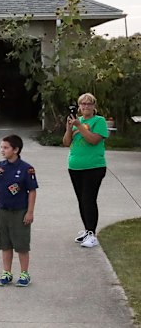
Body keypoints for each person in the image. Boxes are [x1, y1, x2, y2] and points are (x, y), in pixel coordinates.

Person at [0, 134, 38, 287]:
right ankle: (6, 272)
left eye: (6, 148)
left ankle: (24, 273)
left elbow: (32, 191)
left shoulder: (26, 169)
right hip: (3, 211)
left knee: (21, 244)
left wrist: (30, 212)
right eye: (1, 147)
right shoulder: (0, 167)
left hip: (20, 211)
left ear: (16, 150)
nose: (2, 150)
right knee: (5, 244)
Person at [63, 93, 108, 248]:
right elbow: (66, 142)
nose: (86, 106)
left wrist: (79, 126)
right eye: (83, 104)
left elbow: (93, 140)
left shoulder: (99, 121)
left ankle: (92, 233)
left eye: (89, 104)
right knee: (82, 200)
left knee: (89, 199)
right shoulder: (77, 121)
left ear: (94, 106)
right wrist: (69, 128)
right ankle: (87, 230)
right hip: (75, 166)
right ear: (79, 106)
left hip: (94, 167)